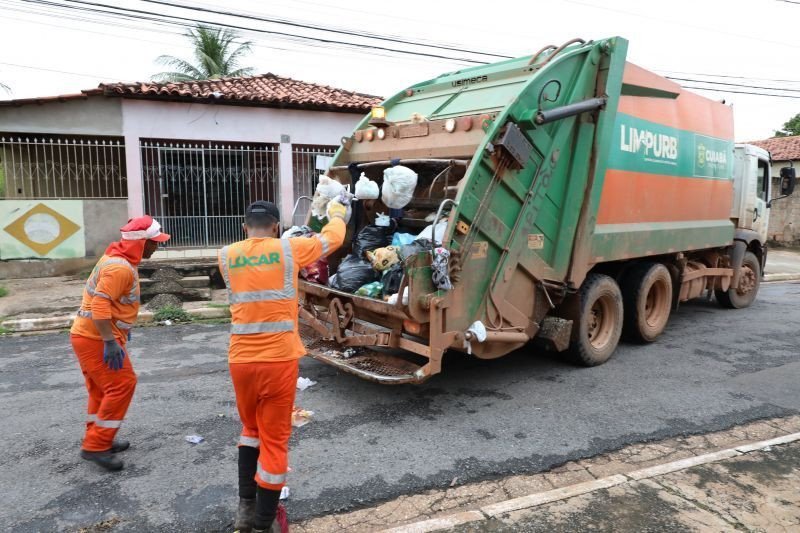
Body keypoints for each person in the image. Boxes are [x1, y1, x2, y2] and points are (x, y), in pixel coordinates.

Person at [220, 199, 348, 533]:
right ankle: (265, 524)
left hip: (241, 360)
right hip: (278, 360)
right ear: (276, 226)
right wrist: (336, 212)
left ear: (244, 225)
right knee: (275, 441)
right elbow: (332, 239)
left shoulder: (226, 255)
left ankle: (245, 511)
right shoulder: (289, 250)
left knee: (251, 431)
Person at [70, 215, 170, 471]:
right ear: (141, 243)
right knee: (123, 384)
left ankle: (99, 437)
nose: (157, 247)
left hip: (89, 335)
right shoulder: (120, 268)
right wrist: (109, 341)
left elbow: (111, 305)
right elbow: (100, 305)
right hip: (95, 338)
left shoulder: (117, 260)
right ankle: (96, 446)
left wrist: (120, 331)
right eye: (154, 242)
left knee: (101, 390)